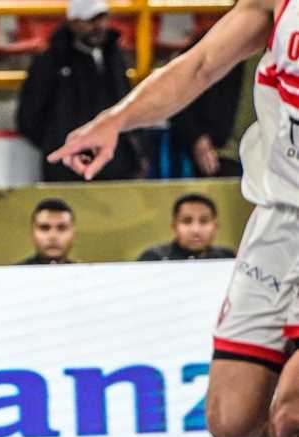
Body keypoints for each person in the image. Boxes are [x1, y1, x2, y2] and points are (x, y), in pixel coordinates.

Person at [47, 0, 299, 437]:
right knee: (232, 420)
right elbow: (201, 64)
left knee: (291, 418)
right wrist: (115, 121)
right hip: (280, 218)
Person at [17, 0, 147, 181]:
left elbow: (126, 104)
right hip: (66, 172)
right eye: (91, 20)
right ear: (73, 22)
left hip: (117, 168)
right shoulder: (50, 61)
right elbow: (29, 117)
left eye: (102, 18)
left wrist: (132, 153)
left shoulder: (114, 56)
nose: (99, 25)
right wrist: (57, 144)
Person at [170, 34, 250, 178]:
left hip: (273, 156)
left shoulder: (280, 51)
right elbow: (176, 95)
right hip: (222, 154)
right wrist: (197, 137)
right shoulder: (218, 44)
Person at [137, 193, 235, 261]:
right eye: (187, 221)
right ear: (174, 225)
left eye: (204, 221)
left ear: (215, 225)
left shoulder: (228, 258)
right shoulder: (154, 258)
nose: (196, 230)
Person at [16, 198, 77, 265]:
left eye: (62, 228)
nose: (53, 236)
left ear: (73, 234)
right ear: (32, 234)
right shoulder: (13, 271)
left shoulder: (84, 271)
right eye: (44, 228)